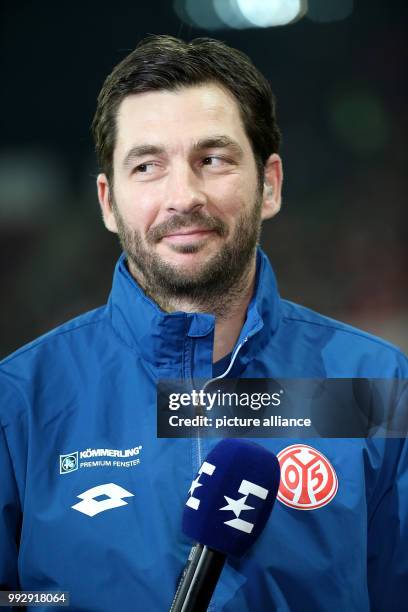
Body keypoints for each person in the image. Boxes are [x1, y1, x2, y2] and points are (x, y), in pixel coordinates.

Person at [0, 35, 407, 612]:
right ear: (108, 202)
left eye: (212, 160)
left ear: (269, 185)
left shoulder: (378, 388)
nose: (183, 196)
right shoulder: (19, 400)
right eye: (147, 166)